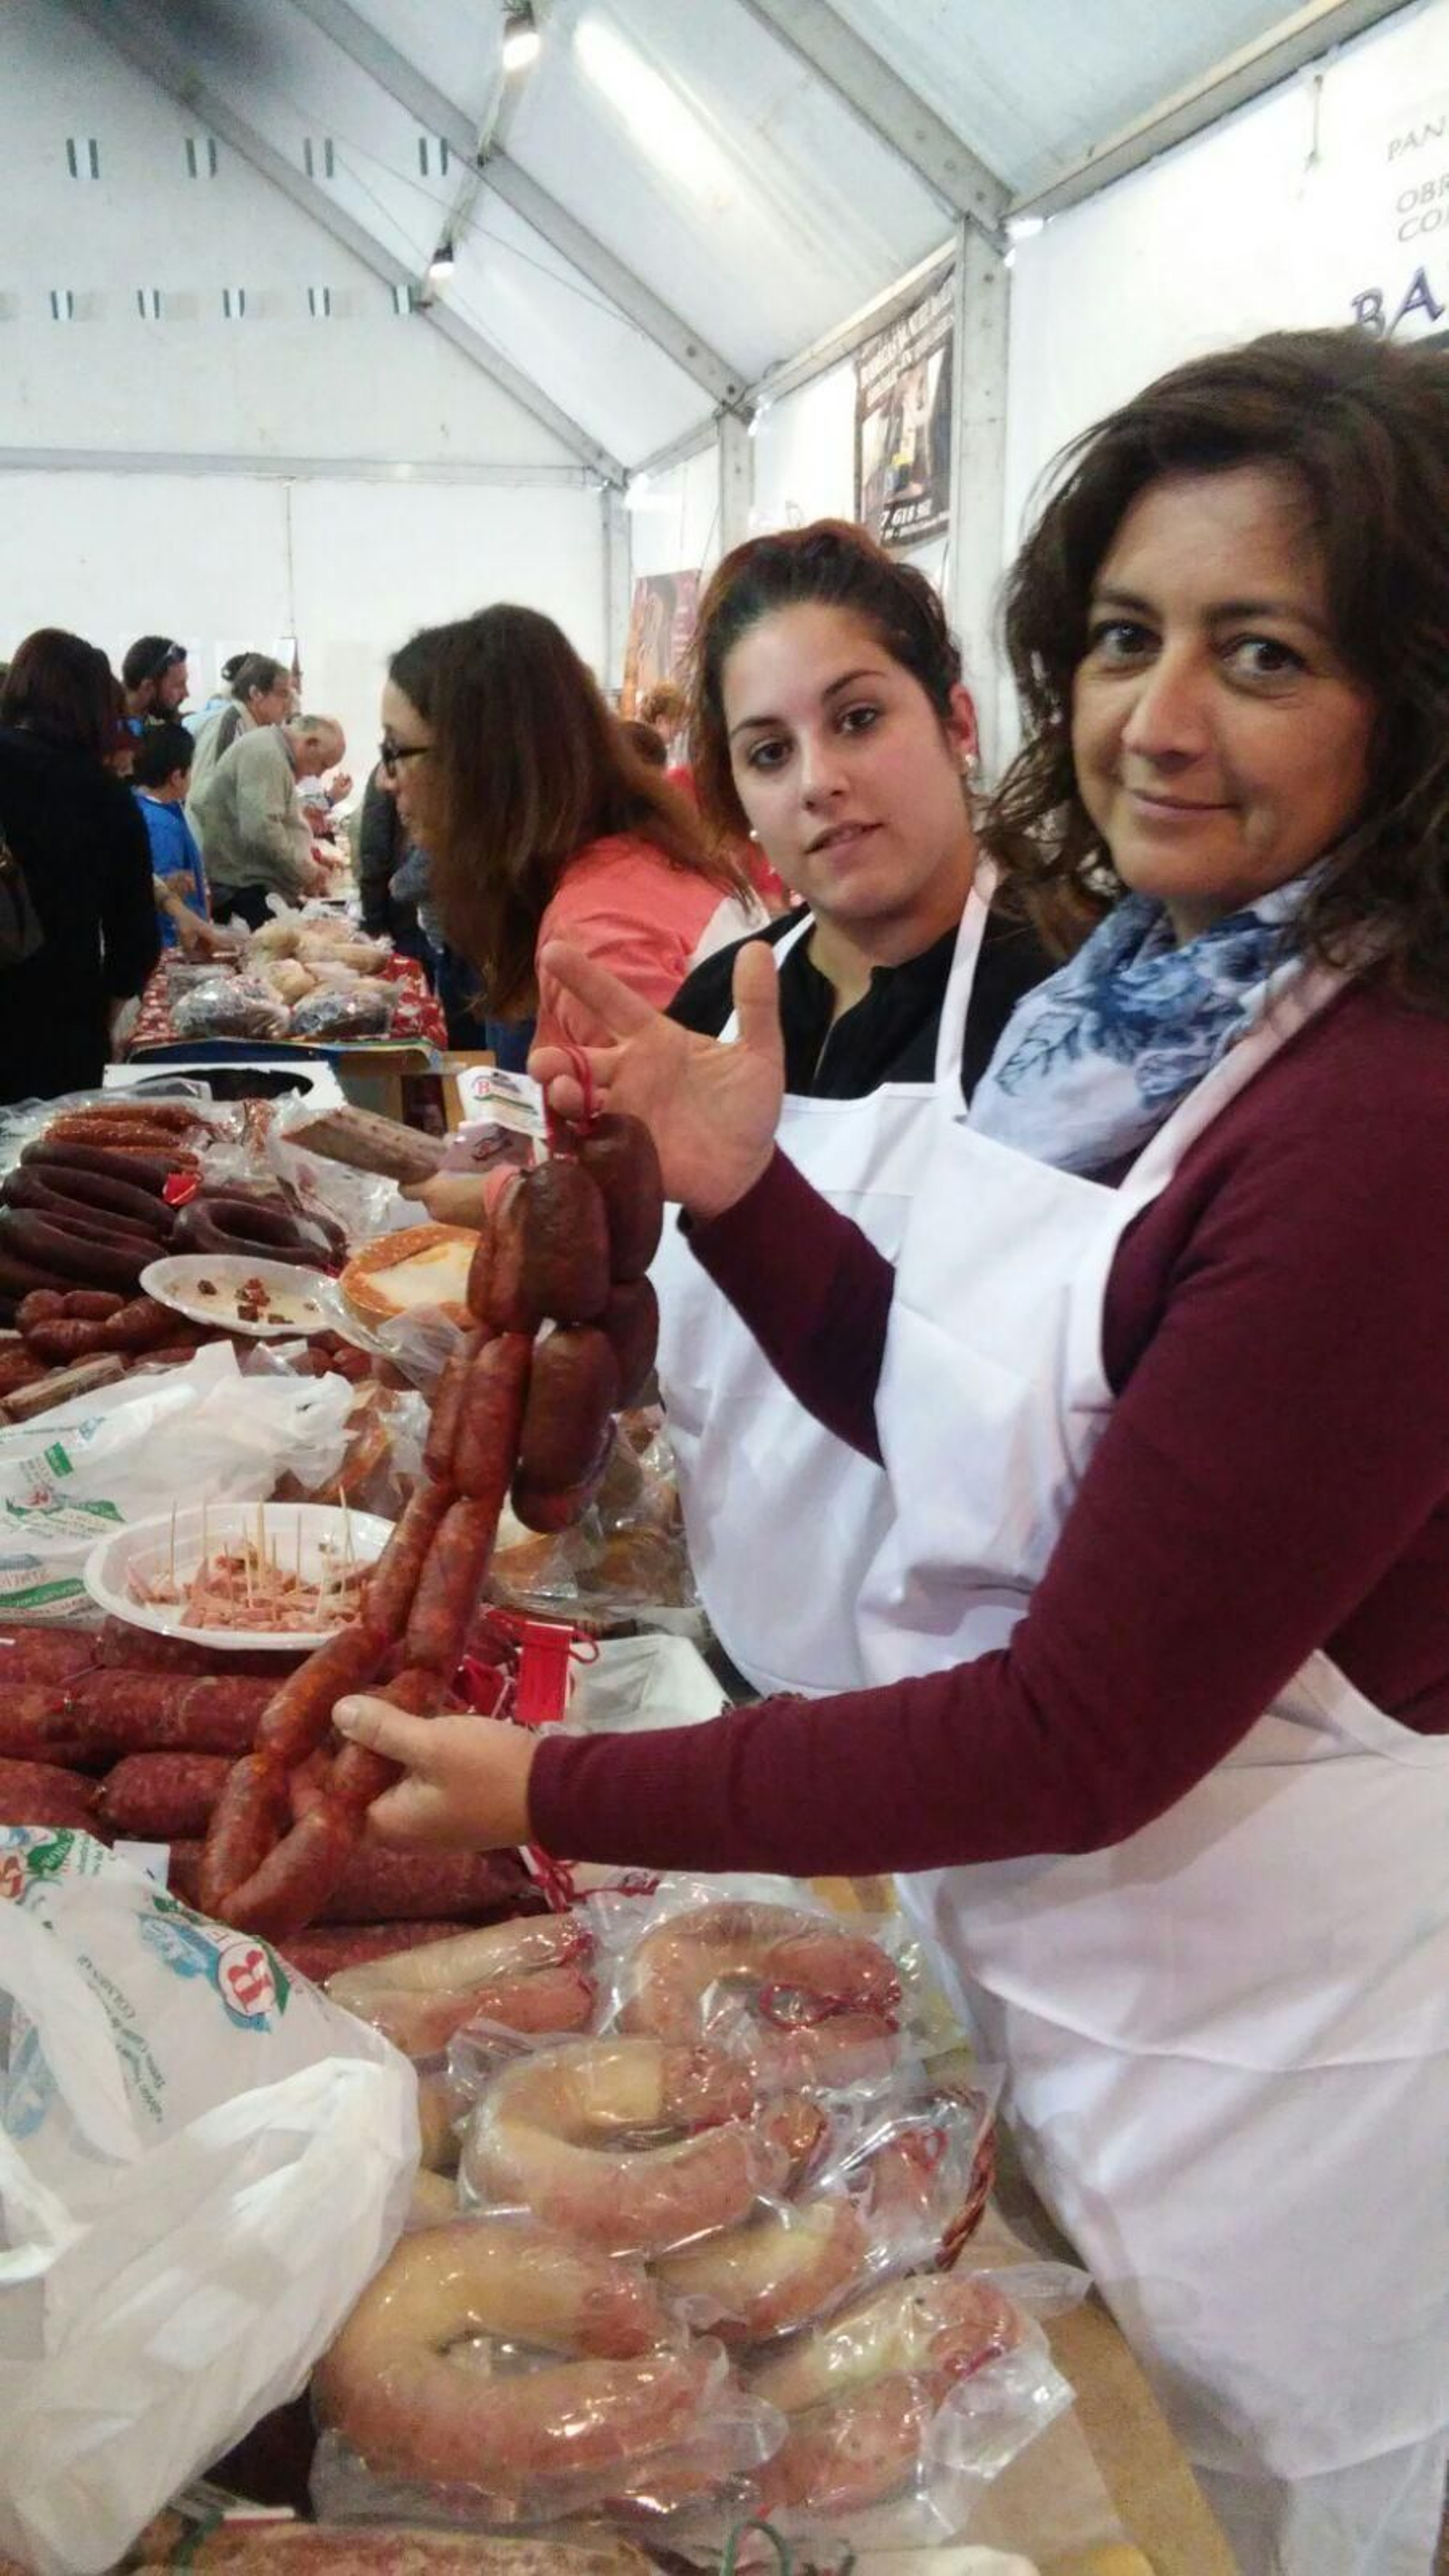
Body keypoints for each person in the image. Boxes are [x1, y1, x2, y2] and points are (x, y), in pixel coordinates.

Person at [338, 329, 1449, 2576]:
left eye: (1260, 652)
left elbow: (1080, 1726)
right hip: (1047, 1981)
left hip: (1256, 2084)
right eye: (1127, 637)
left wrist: (556, 1794)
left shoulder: (1384, 1120)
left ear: (1409, 700)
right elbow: (974, 1440)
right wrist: (740, 1192)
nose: (1155, 717)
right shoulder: (1154, 1002)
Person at [653, 519, 1051, 1693]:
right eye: (769, 753)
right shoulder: (721, 1002)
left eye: (859, 718)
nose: (819, 780)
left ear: (958, 723)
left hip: (966, 1714)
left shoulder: (1060, 1013)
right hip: (737, 1654)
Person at [379, 605, 758, 1052]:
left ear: (479, 762)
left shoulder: (597, 933)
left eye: (395, 749)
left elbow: (660, 1117)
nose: (386, 779)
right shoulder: (633, 862)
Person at [0, 629, 159, 1099]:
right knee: (45, 1166)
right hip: (59, 1032)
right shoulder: (106, 796)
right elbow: (135, 942)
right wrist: (103, 1016)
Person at [190, 711, 344, 928]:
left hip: (256, 888)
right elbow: (263, 831)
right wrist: (307, 871)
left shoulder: (272, 752)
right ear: (310, 743)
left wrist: (308, 855)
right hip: (246, 891)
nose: (318, 775)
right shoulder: (265, 754)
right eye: (323, 764)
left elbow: (276, 819)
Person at [130, 721, 236, 960]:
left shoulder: (158, 809)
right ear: (177, 777)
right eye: (191, 770)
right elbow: (162, 892)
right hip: (171, 944)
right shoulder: (160, 825)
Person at [185, 653, 294, 822]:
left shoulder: (253, 727)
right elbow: (213, 796)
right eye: (283, 694)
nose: (289, 703)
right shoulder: (231, 724)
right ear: (256, 693)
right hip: (211, 835)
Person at [120, 635, 189, 726]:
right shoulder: (104, 730)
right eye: (178, 685)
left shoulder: (163, 723)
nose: (186, 694)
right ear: (148, 687)